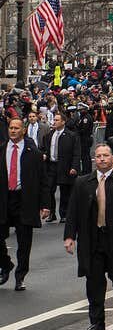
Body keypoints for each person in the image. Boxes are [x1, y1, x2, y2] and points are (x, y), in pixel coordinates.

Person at [64, 144, 113, 330]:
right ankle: (97, 320)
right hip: (93, 239)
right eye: (98, 156)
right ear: (94, 160)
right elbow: (73, 211)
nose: (101, 159)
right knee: (94, 281)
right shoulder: (83, 183)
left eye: (105, 155)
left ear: (112, 159)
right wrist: (69, 236)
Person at [0, 119, 49, 291]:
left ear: (23, 130)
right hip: (4, 199)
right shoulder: (1, 149)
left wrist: (45, 205)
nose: (13, 131)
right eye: (11, 128)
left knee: (24, 242)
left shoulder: (33, 153)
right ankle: (5, 264)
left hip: (24, 200)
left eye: (16, 128)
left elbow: (43, 180)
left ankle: (20, 276)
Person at [42, 112, 82, 223]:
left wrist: (74, 167)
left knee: (65, 191)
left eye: (57, 120)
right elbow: (44, 148)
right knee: (49, 190)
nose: (54, 122)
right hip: (51, 166)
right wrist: (45, 154)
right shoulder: (49, 135)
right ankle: (51, 213)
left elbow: (76, 153)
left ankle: (64, 214)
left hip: (65, 166)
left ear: (63, 122)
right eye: (54, 120)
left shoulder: (71, 136)